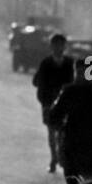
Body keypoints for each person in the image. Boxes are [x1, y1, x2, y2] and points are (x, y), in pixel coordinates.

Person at [32, 34, 74, 175]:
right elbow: (37, 81)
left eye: (61, 45)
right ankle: (53, 158)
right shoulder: (46, 63)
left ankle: (59, 156)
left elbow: (73, 82)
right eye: (56, 45)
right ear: (52, 46)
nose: (58, 48)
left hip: (66, 103)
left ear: (64, 46)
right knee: (51, 132)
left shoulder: (69, 63)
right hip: (48, 102)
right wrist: (44, 100)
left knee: (62, 132)